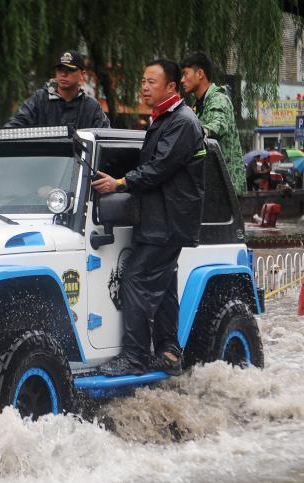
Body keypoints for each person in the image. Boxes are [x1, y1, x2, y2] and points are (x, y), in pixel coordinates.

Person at [91, 59, 205, 377]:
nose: (143, 86)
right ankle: (169, 353)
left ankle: (135, 357)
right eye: (142, 80)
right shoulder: (162, 119)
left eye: (151, 81)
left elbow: (158, 168)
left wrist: (119, 183)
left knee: (135, 280)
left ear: (171, 87)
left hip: (168, 220)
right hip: (162, 217)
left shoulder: (182, 121)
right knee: (166, 284)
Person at [179, 51, 245, 195]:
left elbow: (219, 125)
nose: (182, 80)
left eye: (185, 74)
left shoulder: (218, 98)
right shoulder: (197, 105)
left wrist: (192, 134)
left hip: (226, 188)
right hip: (212, 185)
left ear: (200, 74)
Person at [5, 50, 110, 129]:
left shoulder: (91, 106)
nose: (63, 74)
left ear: (82, 75)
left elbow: (105, 139)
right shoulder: (39, 99)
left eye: (70, 70)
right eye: (60, 69)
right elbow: (14, 127)